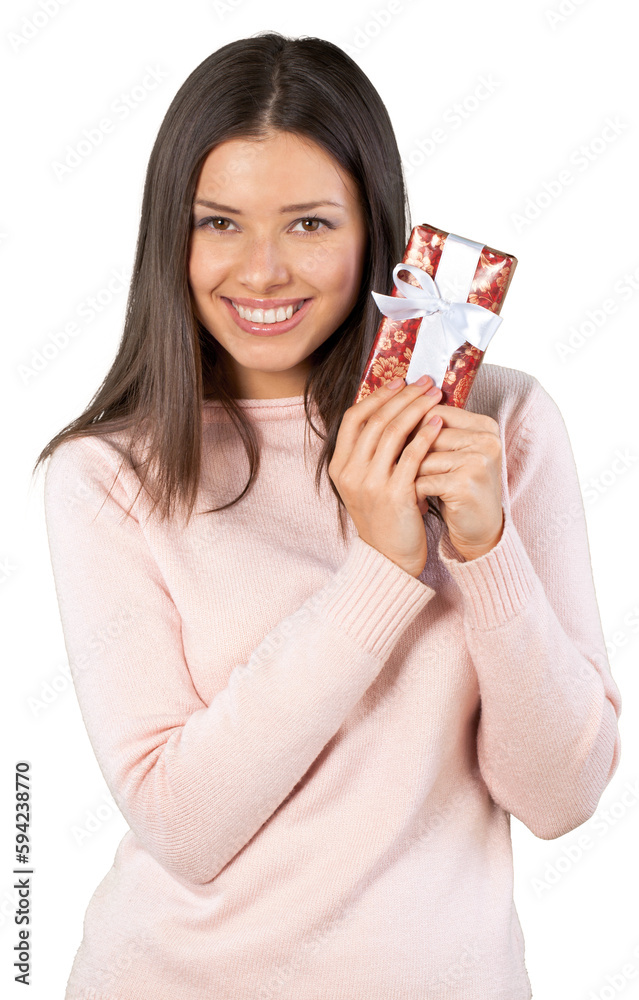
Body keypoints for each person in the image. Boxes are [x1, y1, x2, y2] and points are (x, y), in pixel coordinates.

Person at [36, 30, 622, 1000]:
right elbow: (181, 824)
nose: (260, 270)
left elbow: (562, 796)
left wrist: (485, 549)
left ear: (375, 228)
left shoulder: (501, 427)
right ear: (168, 236)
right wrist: (383, 570)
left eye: (308, 224)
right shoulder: (104, 473)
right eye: (219, 223)